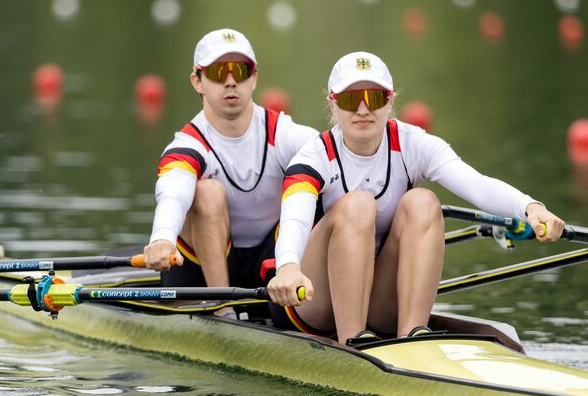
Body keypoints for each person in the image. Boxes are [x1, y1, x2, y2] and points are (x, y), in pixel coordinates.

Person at [268, 51, 565, 344]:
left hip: (379, 300)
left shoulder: (414, 144)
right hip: (311, 299)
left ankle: (412, 336)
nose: (362, 110)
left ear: (390, 101)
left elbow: (476, 184)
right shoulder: (314, 156)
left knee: (423, 201)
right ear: (332, 105)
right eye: (349, 99)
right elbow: (295, 215)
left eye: (374, 98)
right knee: (358, 204)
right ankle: (353, 340)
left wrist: (530, 206)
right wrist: (287, 267)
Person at [143, 29, 318, 318]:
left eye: (240, 70)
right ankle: (222, 311)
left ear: (254, 77)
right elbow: (173, 191)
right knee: (207, 192)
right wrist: (162, 237)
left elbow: (335, 157)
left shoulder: (284, 133)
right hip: (198, 273)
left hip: (270, 264)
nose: (230, 81)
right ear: (197, 81)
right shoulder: (188, 144)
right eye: (217, 72)